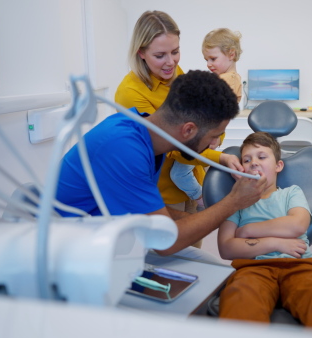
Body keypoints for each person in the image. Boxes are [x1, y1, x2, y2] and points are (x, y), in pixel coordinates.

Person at [56, 70, 267, 257]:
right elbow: (165, 243)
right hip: (71, 250)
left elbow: (146, 210)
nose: (214, 144)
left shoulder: (141, 130)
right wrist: (234, 201)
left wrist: (196, 218)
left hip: (108, 237)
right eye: (214, 136)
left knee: (207, 264)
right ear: (188, 130)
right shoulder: (124, 149)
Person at [217, 132, 312, 332]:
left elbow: (297, 225)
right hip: (252, 268)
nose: (254, 163)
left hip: (300, 265)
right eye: (247, 160)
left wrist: (248, 230)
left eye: (261, 157)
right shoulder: (236, 201)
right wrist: (277, 243)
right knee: (240, 300)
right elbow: (226, 248)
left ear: (278, 166)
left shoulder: (291, 193)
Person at [114, 11, 242, 230]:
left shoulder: (174, 72)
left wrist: (217, 135)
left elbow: (201, 123)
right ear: (141, 52)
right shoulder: (129, 94)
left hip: (192, 178)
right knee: (172, 258)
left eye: (175, 52)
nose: (170, 62)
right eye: (160, 55)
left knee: (194, 252)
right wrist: (219, 158)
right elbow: (169, 145)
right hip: (162, 193)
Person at [170, 28, 243, 212]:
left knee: (178, 174)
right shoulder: (231, 79)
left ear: (231, 54)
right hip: (205, 133)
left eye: (212, 59)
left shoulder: (226, 81)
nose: (209, 64)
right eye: (206, 60)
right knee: (187, 170)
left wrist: (213, 135)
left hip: (202, 135)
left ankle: (203, 199)